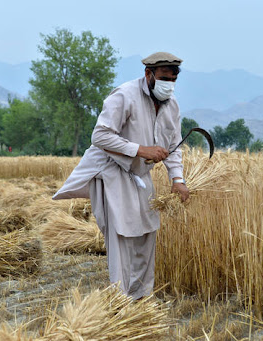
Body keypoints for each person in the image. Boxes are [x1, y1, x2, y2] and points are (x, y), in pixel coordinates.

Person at [53, 52, 189, 299]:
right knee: (122, 236)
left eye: (173, 80)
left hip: (140, 175)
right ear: (148, 74)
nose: (169, 85)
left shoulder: (172, 106)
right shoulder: (125, 96)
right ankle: (120, 299)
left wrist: (177, 179)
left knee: (147, 233)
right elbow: (100, 136)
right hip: (112, 170)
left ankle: (141, 298)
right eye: (164, 79)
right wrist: (140, 149)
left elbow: (174, 145)